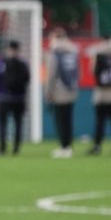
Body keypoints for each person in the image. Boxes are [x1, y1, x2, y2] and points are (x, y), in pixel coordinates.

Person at [44, 28, 79, 158]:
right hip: (72, 89)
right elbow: (78, 72)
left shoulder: (55, 52)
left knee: (60, 120)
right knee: (68, 120)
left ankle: (64, 147)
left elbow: (51, 74)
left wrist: (48, 92)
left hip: (59, 91)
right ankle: (68, 146)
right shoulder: (73, 51)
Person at [0, 40, 30, 155]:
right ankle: (16, 148)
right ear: (18, 50)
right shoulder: (23, 63)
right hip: (19, 98)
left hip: (3, 98)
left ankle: (2, 148)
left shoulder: (0, 62)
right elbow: (27, 79)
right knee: (18, 124)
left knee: (2, 124)